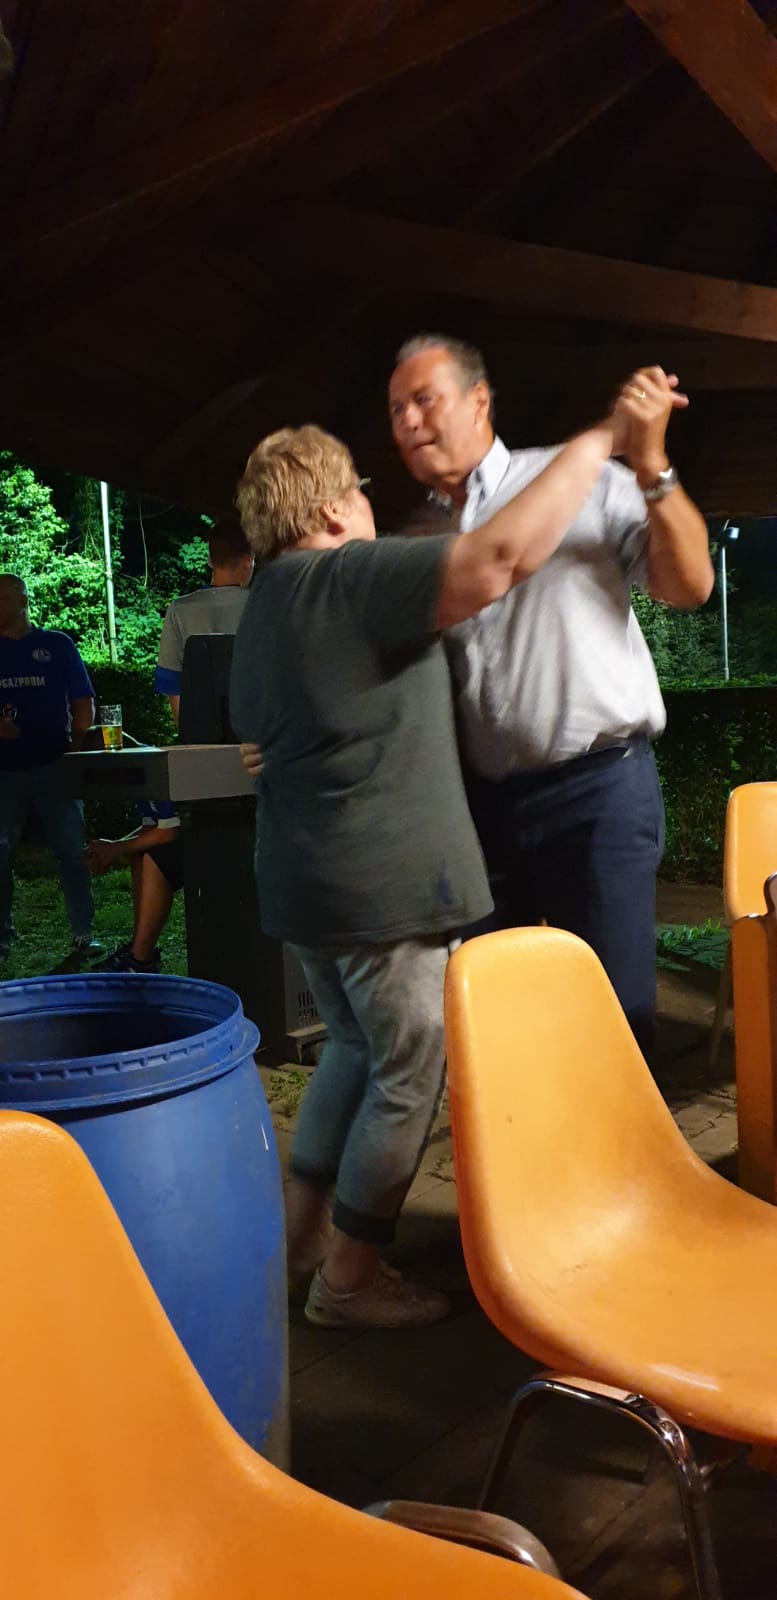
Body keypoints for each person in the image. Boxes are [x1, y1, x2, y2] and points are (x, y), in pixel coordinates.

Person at [230, 396, 632, 1329]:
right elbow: (494, 561)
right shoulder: (347, 575)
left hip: (304, 884)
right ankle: (350, 1282)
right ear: (334, 507)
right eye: (364, 494)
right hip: (381, 893)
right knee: (409, 1073)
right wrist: (594, 444)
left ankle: (299, 1238)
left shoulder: (266, 602)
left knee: (352, 1049)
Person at [386, 336, 715, 1056]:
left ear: (479, 400)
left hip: (595, 791)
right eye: (396, 410)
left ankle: (619, 1134)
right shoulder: (414, 537)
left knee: (611, 1025)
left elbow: (689, 586)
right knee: (494, 1026)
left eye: (424, 400)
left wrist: (652, 467)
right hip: (479, 809)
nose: (408, 421)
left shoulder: (578, 479)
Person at [0, 573, 96, 961]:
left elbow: (83, 702)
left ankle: (83, 934)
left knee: (71, 851)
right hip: (3, 773)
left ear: (22, 600)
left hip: (55, 767)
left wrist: (75, 751)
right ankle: (1, 940)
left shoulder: (57, 645)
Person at [154, 519, 254, 725]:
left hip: (202, 734)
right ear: (247, 561)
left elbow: (173, 688)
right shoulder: (268, 606)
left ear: (210, 560)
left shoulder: (179, 611)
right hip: (258, 736)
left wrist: (192, 737)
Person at [86, 799, 182, 973]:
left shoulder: (158, 784)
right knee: (138, 854)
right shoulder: (145, 789)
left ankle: (139, 961)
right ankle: (137, 948)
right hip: (184, 832)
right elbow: (151, 827)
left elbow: (170, 831)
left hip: (208, 833)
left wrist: (115, 848)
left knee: (155, 859)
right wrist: (112, 848)